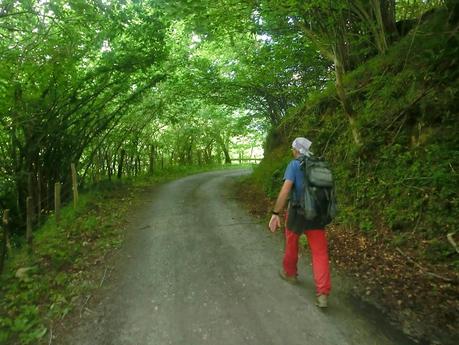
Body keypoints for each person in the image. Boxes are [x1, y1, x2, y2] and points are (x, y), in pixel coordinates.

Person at [268, 137, 331, 308]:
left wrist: (275, 213)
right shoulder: (319, 165)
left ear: (297, 150)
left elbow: (286, 190)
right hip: (317, 214)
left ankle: (290, 273)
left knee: (291, 243)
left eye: (293, 148)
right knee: (319, 252)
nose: (292, 151)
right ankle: (323, 293)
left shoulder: (294, 165)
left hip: (297, 212)